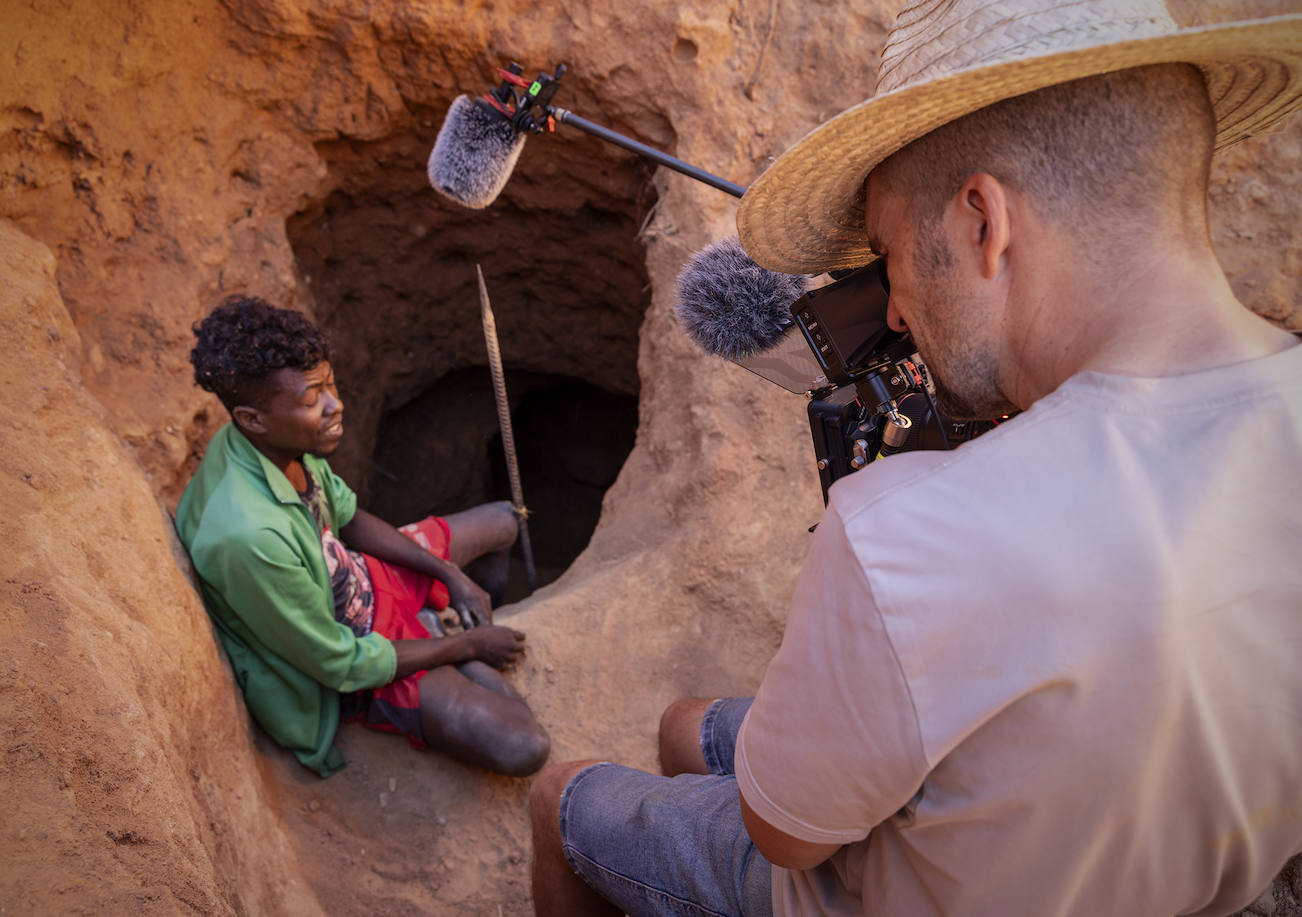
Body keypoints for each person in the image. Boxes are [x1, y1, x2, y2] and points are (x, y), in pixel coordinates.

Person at [529, 1, 1302, 915]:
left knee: (562, 796)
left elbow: (786, 835)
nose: (892, 312)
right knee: (686, 730)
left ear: (985, 223)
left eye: (890, 254)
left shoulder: (909, 529)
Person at [176, 295, 550, 778]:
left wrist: (448, 573)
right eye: (313, 399)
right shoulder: (249, 537)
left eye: (330, 385)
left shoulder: (273, 443)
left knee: (504, 519)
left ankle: (454, 623)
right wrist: (469, 648)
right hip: (358, 653)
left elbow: (348, 519)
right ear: (252, 417)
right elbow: (337, 663)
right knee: (525, 744)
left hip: (359, 580)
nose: (336, 406)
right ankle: (448, 640)